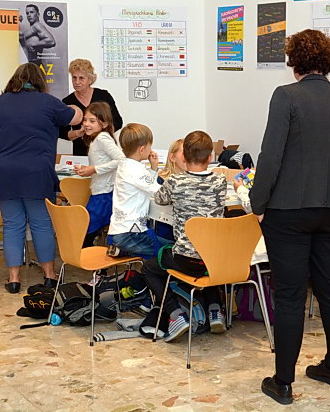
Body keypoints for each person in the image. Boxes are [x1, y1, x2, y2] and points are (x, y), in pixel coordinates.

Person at [250, 29, 330, 405]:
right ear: (328, 61)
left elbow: (270, 156)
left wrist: (257, 202)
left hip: (288, 210)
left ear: (293, 60)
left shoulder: (286, 96)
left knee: (290, 294)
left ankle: (283, 382)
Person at [0, 63, 82, 293]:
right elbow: (75, 118)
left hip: (4, 173)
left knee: (12, 225)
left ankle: (14, 279)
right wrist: (74, 106)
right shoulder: (48, 102)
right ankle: (49, 275)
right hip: (37, 172)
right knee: (42, 224)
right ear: (39, 81)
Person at [142, 131, 228, 342]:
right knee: (207, 255)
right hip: (215, 260)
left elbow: (160, 199)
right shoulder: (220, 181)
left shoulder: (175, 181)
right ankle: (215, 310)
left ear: (184, 155)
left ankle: (175, 314)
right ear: (210, 157)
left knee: (149, 268)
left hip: (185, 260)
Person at [107, 123, 173, 258]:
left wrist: (153, 168)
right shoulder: (136, 170)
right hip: (132, 233)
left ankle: (123, 251)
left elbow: (144, 185)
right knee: (165, 253)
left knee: (160, 243)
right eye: (150, 146)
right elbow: (159, 192)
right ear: (142, 149)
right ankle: (128, 251)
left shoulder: (125, 165)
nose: (151, 150)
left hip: (119, 231)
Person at [73, 102, 126, 248]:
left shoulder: (102, 138)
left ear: (104, 123)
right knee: (88, 232)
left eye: (92, 121)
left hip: (104, 194)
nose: (86, 124)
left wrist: (95, 169)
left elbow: (121, 160)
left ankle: (90, 258)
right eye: (85, 120)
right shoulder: (97, 139)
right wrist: (89, 169)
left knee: (87, 232)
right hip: (100, 192)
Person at [59, 59, 123, 156]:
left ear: (90, 79)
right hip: (81, 153)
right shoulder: (67, 102)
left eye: (81, 78)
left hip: (105, 150)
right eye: (74, 78)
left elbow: (117, 122)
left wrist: (99, 132)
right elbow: (62, 132)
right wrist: (77, 133)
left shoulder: (103, 96)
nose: (77, 82)